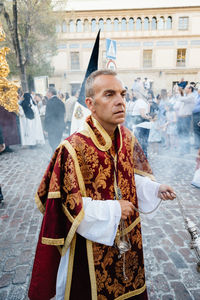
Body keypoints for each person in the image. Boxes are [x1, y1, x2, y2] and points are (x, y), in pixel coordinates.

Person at [28, 69, 176, 300]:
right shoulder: (72, 149)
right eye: (109, 94)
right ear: (91, 103)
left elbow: (126, 177)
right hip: (90, 249)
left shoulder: (127, 137)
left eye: (122, 94)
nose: (120, 101)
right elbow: (68, 208)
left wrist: (154, 188)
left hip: (128, 239)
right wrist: (114, 209)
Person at [175, 85, 195, 155]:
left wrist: (178, 91)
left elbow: (181, 99)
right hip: (181, 118)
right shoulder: (186, 96)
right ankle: (182, 149)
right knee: (181, 134)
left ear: (190, 89)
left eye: (186, 88)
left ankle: (185, 150)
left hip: (186, 118)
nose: (184, 89)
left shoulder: (191, 96)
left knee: (185, 134)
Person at [44, 87, 65, 152]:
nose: (46, 94)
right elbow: (63, 114)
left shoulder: (49, 102)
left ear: (50, 93)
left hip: (52, 127)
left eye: (47, 92)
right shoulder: (61, 102)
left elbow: (47, 116)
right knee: (57, 142)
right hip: (60, 126)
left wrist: (45, 128)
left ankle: (55, 158)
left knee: (52, 143)